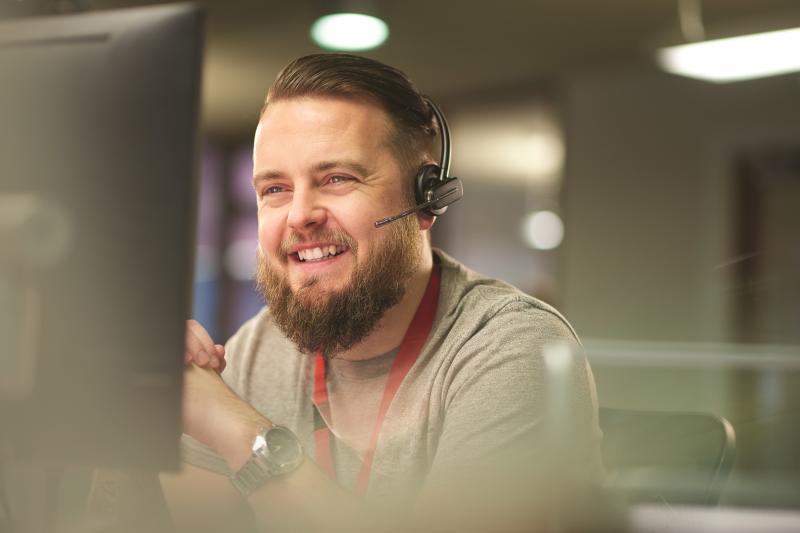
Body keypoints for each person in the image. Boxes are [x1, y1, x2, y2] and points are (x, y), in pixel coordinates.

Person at [92, 53, 603, 533]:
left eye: (336, 178)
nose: (299, 215)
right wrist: (144, 406)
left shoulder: (514, 349)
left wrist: (234, 428)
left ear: (425, 200)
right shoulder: (255, 349)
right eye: (274, 189)